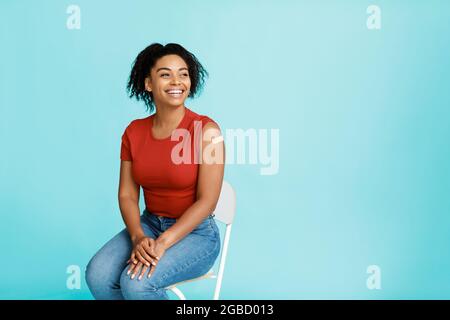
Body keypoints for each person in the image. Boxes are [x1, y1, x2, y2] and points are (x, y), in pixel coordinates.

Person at [85, 43, 225, 300]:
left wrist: (162, 243)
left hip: (196, 233)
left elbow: (207, 202)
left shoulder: (207, 131)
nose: (177, 81)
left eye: (183, 74)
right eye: (165, 74)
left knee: (136, 283)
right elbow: (127, 195)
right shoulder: (133, 132)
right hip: (149, 224)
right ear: (148, 84)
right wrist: (138, 236)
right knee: (98, 275)